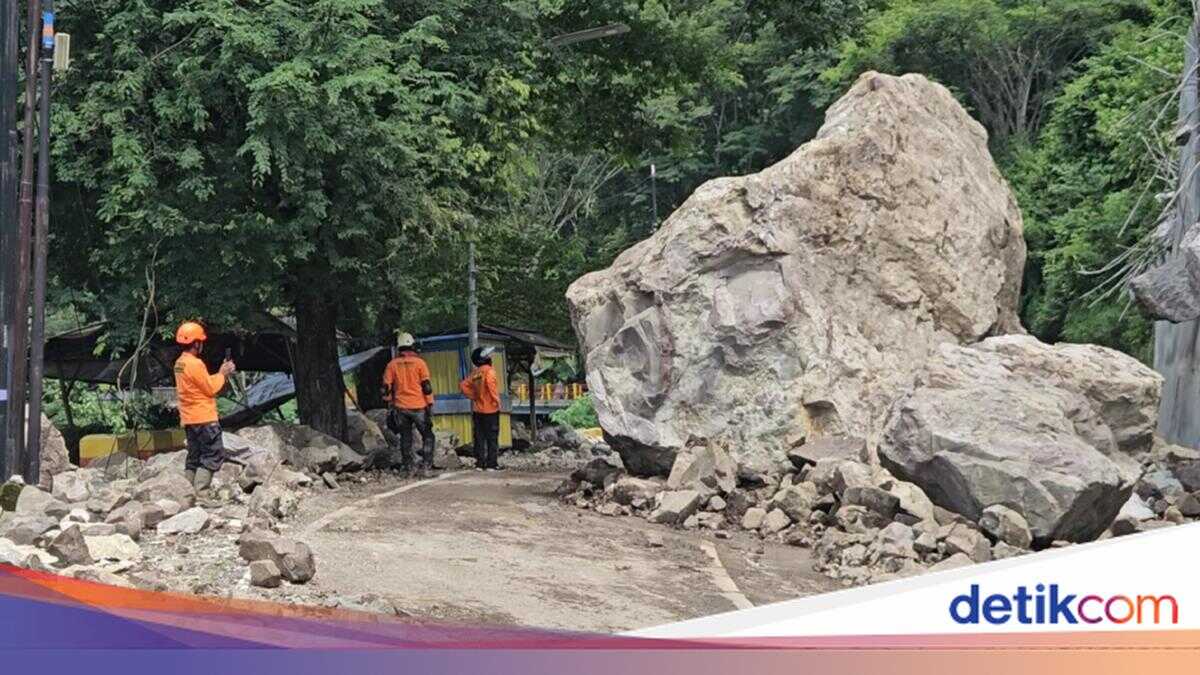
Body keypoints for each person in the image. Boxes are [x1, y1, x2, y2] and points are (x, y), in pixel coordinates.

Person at [173, 321, 235, 492]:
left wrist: (220, 374)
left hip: (190, 419)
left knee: (194, 457)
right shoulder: (195, 364)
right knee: (212, 455)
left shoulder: (179, 363)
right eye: (200, 341)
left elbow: (200, 385)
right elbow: (210, 388)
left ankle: (186, 494)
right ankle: (201, 493)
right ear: (196, 343)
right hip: (204, 418)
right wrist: (223, 374)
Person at [381, 332, 436, 475]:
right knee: (428, 435)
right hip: (419, 407)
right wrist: (430, 404)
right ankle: (426, 466)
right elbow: (426, 387)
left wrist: (390, 403)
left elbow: (386, 388)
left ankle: (408, 468)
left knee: (406, 437)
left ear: (399, 347)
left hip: (401, 407)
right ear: (412, 346)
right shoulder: (420, 363)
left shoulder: (392, 365)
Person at [460, 346, 501, 471]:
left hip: (478, 410)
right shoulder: (489, 371)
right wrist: (496, 400)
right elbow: (490, 385)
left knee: (479, 437)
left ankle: (480, 463)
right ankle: (492, 464)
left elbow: (463, 385)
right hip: (491, 410)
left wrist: (474, 396)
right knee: (492, 438)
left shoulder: (476, 373)